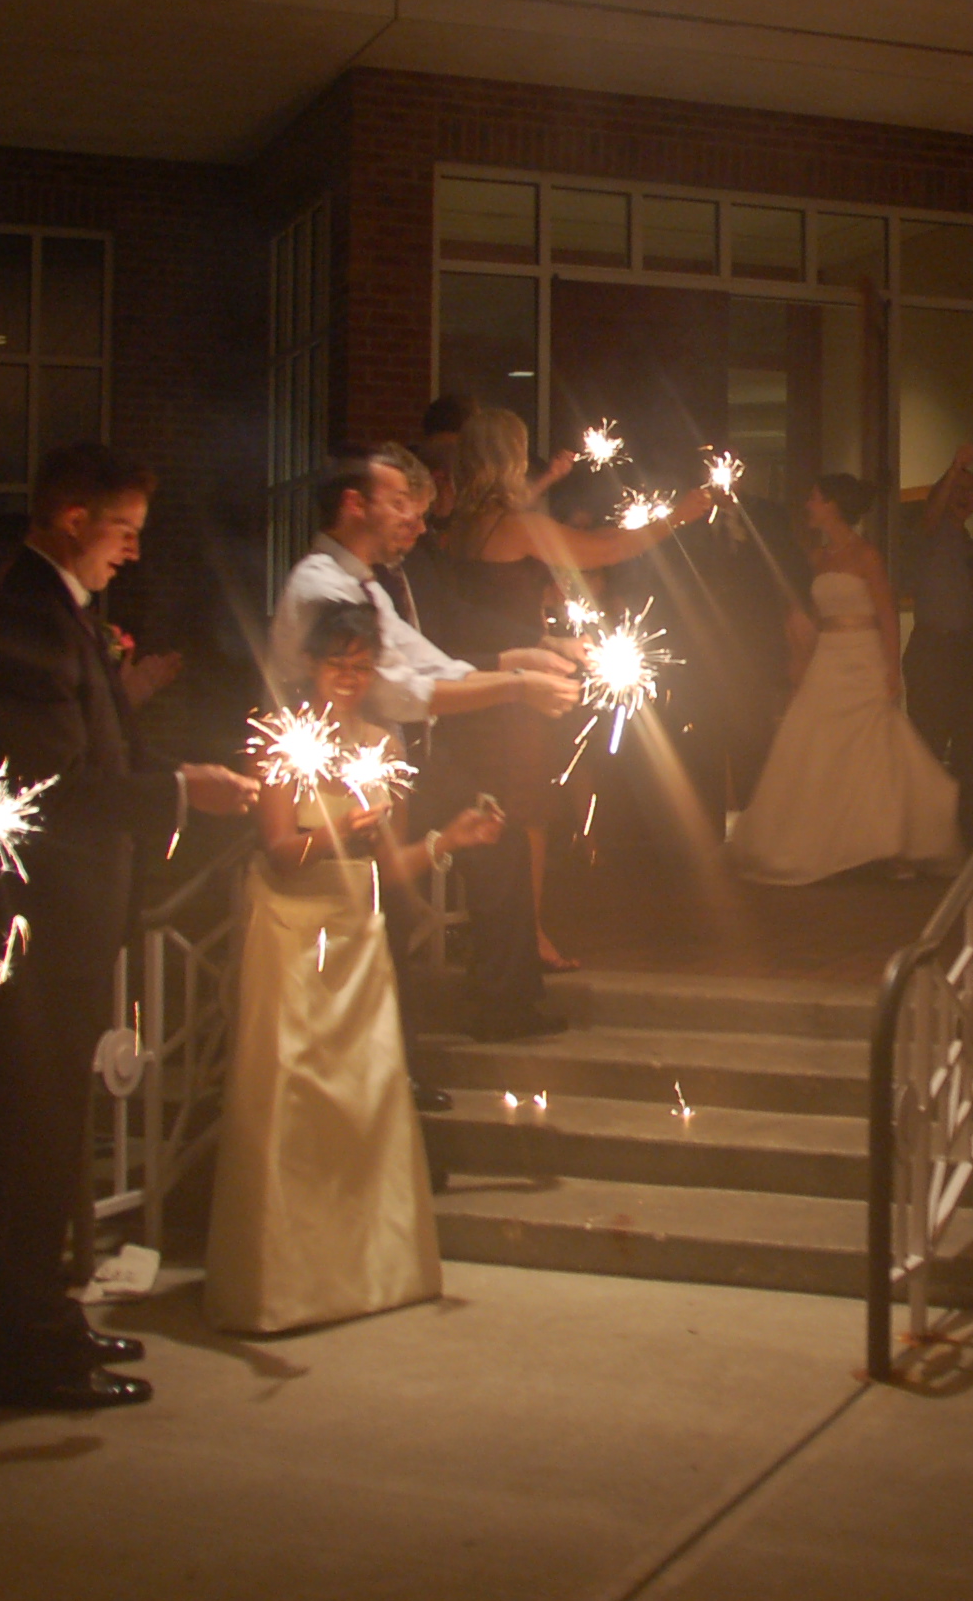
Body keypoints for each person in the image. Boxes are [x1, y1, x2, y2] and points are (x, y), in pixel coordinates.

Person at [0, 445, 259, 1411]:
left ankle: (50, 1318)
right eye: (122, 530)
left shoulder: (66, 613)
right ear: (73, 518)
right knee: (23, 1140)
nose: (132, 551)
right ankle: (29, 1347)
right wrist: (181, 792)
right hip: (30, 925)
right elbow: (55, 788)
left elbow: (105, 750)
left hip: (68, 922)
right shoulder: (27, 621)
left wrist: (185, 775)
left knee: (52, 1139)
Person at [206, 604, 503, 1334]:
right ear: (311, 664)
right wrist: (338, 831)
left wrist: (450, 840)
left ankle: (368, 1272)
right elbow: (279, 849)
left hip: (357, 928)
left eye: (362, 665)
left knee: (363, 1100)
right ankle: (283, 1282)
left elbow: (390, 865)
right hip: (290, 928)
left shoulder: (380, 745)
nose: (349, 676)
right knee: (292, 1094)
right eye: (338, 662)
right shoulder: (285, 738)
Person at [271, 445, 583, 1040]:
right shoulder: (322, 586)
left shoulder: (364, 583)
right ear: (354, 505)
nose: (416, 522)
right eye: (400, 506)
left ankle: (503, 1007)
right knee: (384, 907)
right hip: (333, 780)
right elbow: (398, 692)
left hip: (388, 762)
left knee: (496, 836)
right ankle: (393, 1054)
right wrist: (518, 686)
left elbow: (428, 662)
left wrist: (521, 659)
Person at [430, 411, 707, 965]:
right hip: (514, 696)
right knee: (526, 814)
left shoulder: (463, 525)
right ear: (509, 458)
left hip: (476, 685)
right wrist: (679, 516)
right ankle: (524, 938)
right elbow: (604, 549)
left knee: (494, 810)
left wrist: (552, 641)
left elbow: (488, 613)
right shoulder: (512, 526)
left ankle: (498, 934)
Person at [729, 475, 962, 884]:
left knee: (873, 747)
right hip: (829, 656)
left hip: (863, 656)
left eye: (816, 498)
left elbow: (886, 614)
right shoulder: (817, 557)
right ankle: (827, 838)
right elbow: (814, 614)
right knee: (815, 742)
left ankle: (888, 843)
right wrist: (801, 656)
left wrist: (892, 668)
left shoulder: (866, 555)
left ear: (834, 505)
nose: (809, 505)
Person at [901, 445, 973, 794]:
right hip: (932, 647)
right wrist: (956, 466)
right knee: (928, 739)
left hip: (965, 650)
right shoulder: (929, 533)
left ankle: (964, 815)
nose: (965, 497)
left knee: (971, 739)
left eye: (972, 492)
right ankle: (918, 814)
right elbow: (931, 513)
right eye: (958, 489)